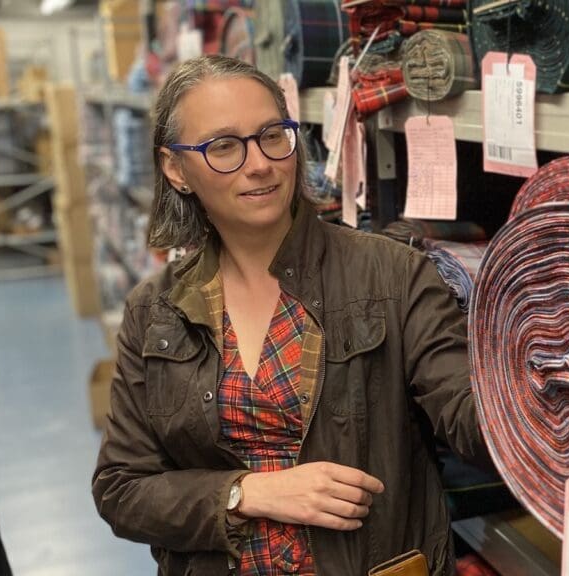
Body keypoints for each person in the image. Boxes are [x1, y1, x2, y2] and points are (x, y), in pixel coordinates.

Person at [92, 55, 488, 575]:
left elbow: (471, 418)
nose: (260, 164)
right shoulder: (155, 312)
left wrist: (558, 358)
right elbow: (122, 488)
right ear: (175, 168)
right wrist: (247, 492)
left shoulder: (392, 276)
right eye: (224, 146)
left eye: (273, 134)